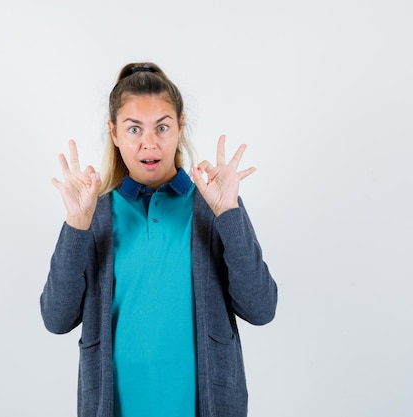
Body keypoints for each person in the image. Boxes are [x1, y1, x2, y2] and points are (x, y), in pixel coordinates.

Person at [40, 62, 278, 417]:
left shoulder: (211, 207)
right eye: (134, 129)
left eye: (162, 127)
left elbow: (261, 309)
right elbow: (56, 319)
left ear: (180, 127)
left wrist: (228, 212)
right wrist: (76, 224)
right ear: (114, 132)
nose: (149, 143)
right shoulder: (95, 213)